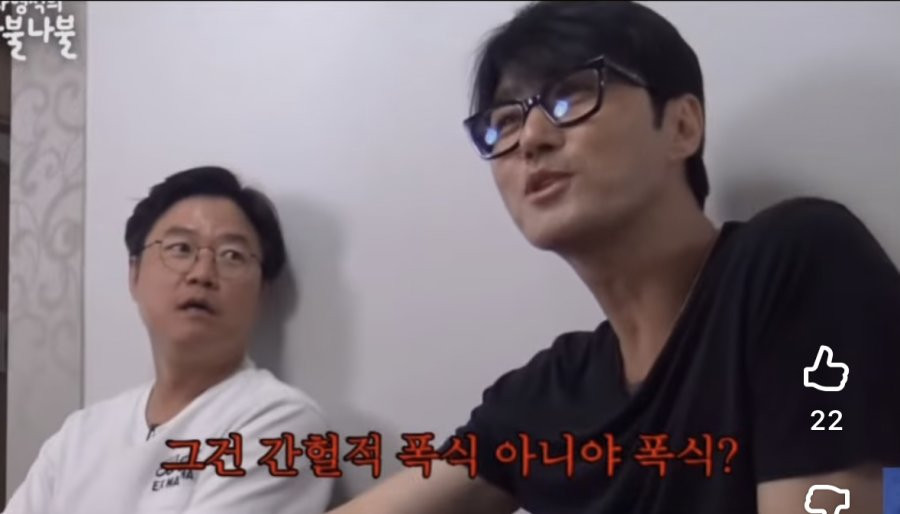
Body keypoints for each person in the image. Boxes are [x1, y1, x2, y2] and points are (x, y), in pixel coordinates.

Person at [329, 1, 900, 513]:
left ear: (682, 126)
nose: (531, 138)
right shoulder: (550, 394)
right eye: (503, 122)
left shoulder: (798, 262)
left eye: (570, 96)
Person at [4, 166, 334, 513]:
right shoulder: (79, 435)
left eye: (232, 255)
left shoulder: (281, 422)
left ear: (262, 293)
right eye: (180, 248)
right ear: (134, 274)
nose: (202, 274)